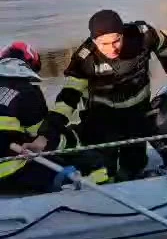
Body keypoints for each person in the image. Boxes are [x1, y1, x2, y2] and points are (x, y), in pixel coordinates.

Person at [44, 10, 167, 180]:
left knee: (135, 163)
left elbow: (163, 45)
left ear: (123, 34)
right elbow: (69, 95)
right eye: (104, 44)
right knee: (105, 167)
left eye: (116, 41)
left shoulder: (143, 35)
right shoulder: (85, 58)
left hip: (137, 112)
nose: (112, 48)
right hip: (102, 117)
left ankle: (136, 177)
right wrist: (51, 128)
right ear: (94, 41)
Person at [0, 42, 108, 193]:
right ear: (31, 64)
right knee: (92, 161)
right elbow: (43, 137)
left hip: (9, 162)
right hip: (12, 172)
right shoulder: (26, 91)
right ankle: (96, 200)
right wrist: (76, 140)